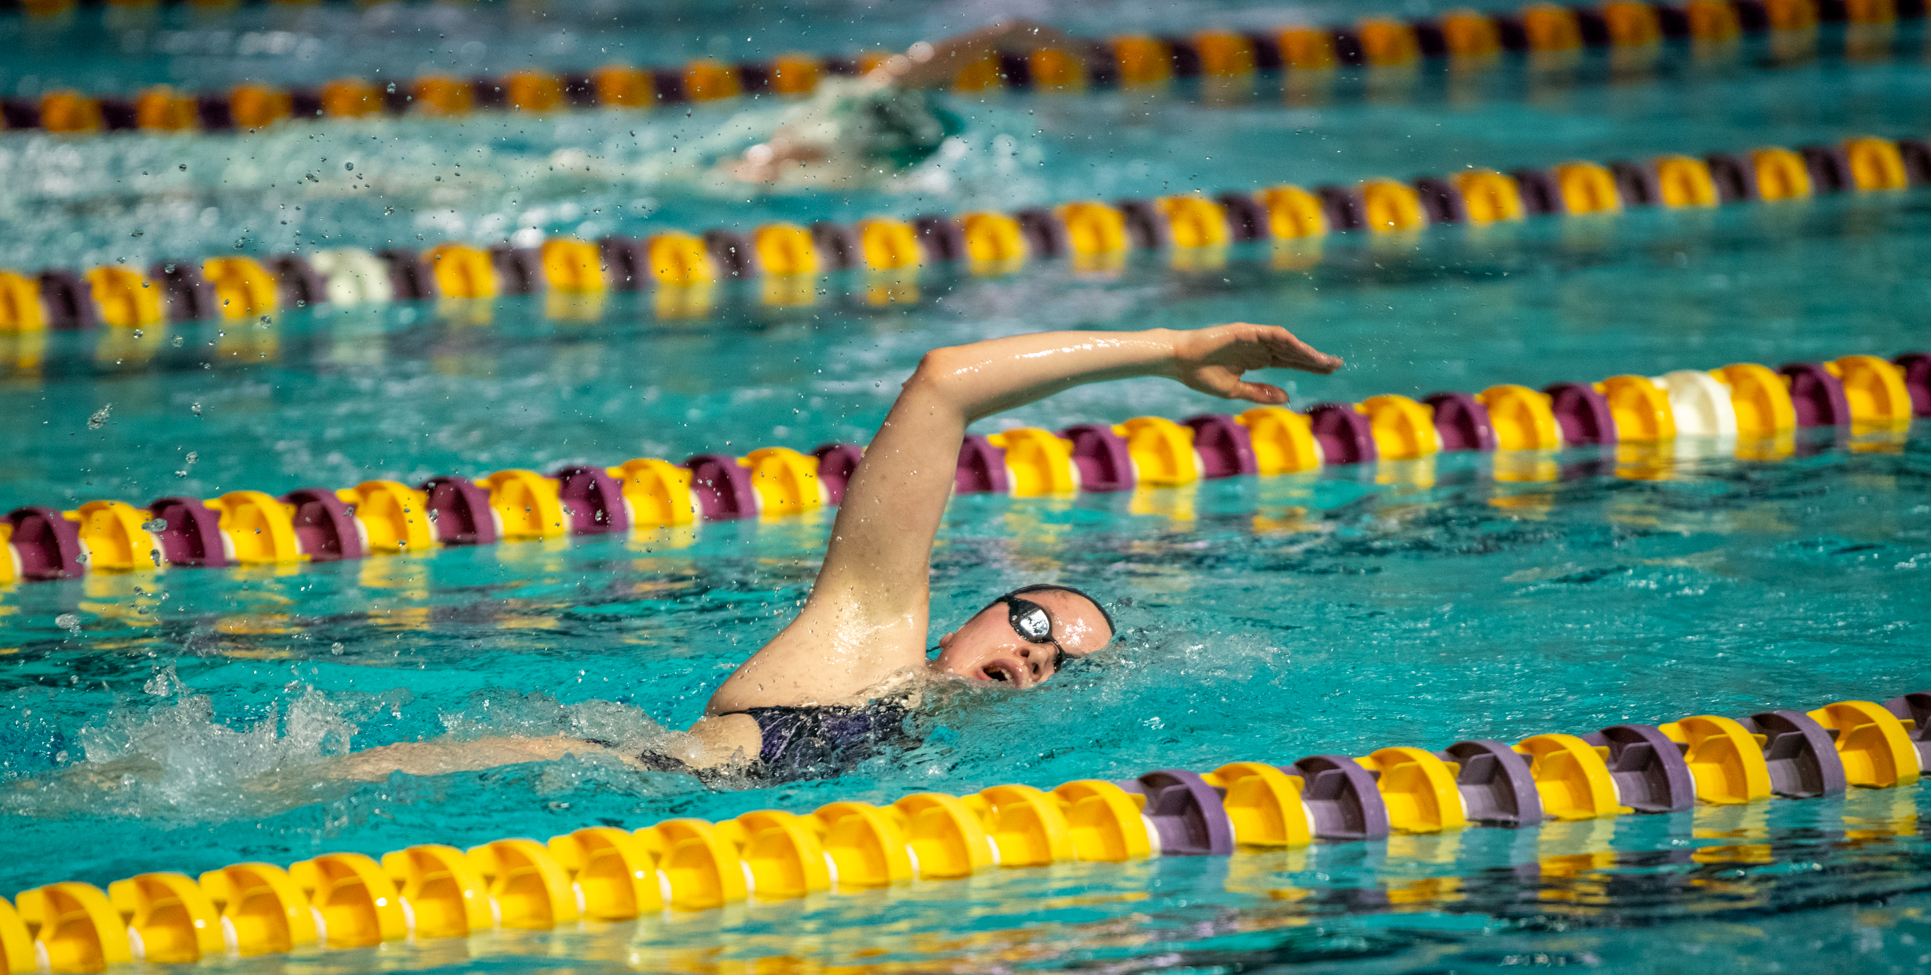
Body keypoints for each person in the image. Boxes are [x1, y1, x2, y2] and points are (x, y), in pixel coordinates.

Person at [344, 323, 1342, 783]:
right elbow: (944, 383)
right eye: (1032, 622)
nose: (1037, 653)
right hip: (584, 776)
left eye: (1059, 661)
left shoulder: (938, 750)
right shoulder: (864, 637)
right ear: (967, 620)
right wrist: (1165, 354)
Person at [720, 21, 1084, 187]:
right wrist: (1076, 50)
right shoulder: (888, 86)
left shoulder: (886, 98)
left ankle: (754, 166)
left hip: (865, 149)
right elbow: (1004, 31)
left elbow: (1004, 32)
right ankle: (756, 165)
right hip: (859, 135)